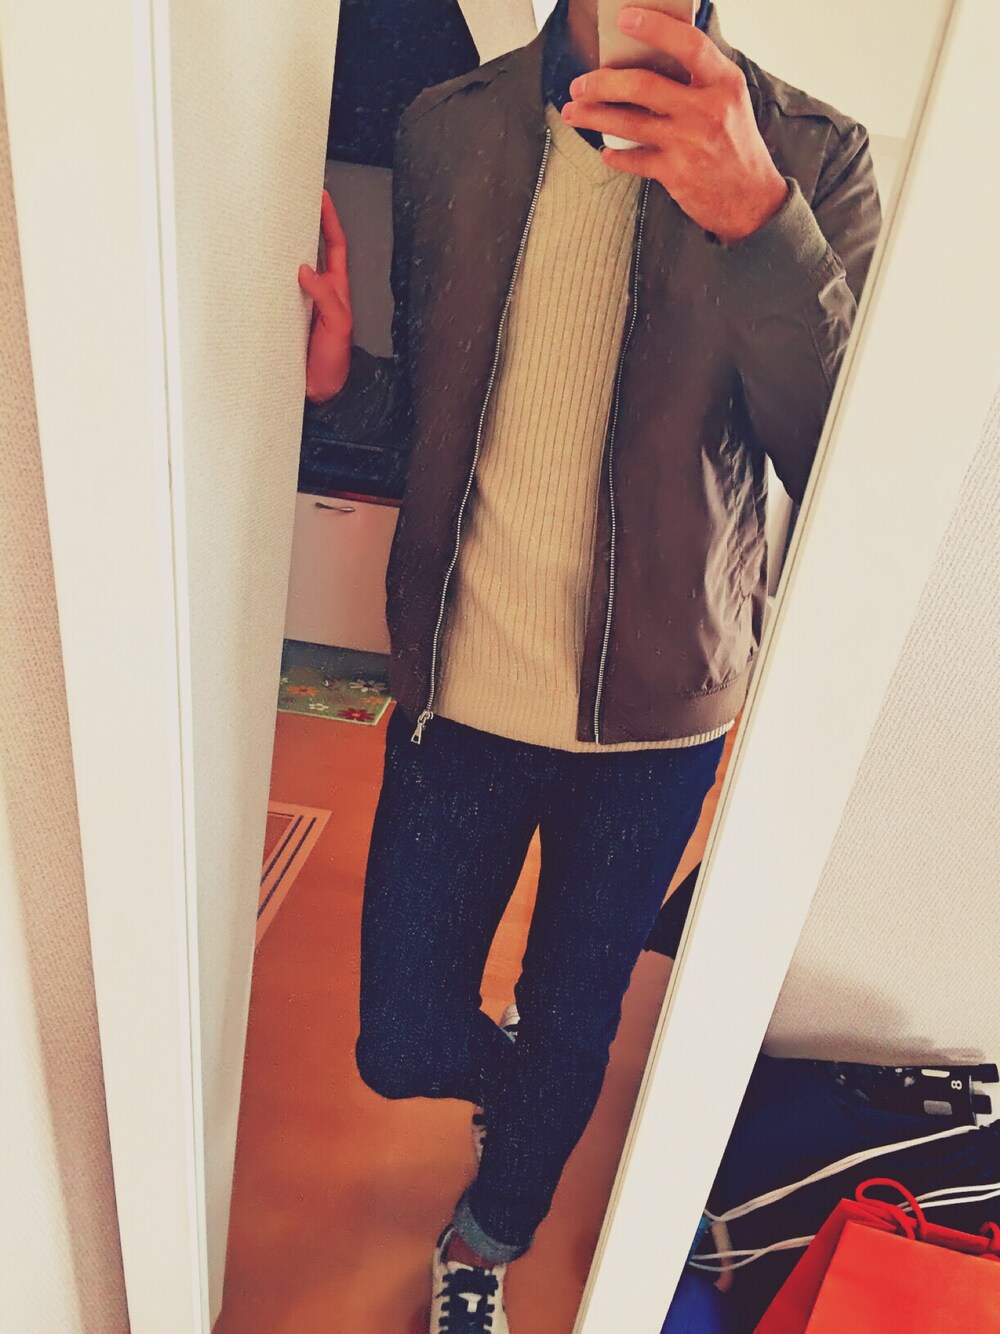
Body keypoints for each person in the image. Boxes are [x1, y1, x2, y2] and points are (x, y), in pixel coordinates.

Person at [297, 2, 881, 1329]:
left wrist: (760, 220)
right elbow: (436, 416)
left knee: (574, 1003)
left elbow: (836, 461)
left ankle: (489, 1238)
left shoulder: (812, 156)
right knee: (400, 1034)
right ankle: (540, 1091)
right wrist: (341, 385)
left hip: (660, 718)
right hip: (460, 687)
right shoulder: (445, 129)